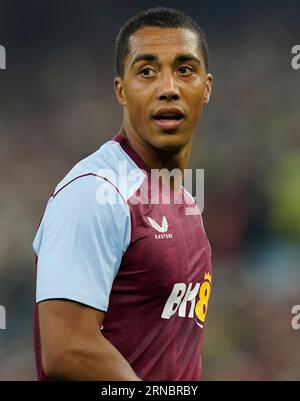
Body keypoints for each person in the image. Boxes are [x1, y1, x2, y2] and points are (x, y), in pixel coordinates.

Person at [33, 6, 213, 381]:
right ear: (121, 90)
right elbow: (67, 348)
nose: (168, 88)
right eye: (147, 71)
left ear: (206, 87)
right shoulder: (95, 192)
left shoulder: (184, 201)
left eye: (185, 69)